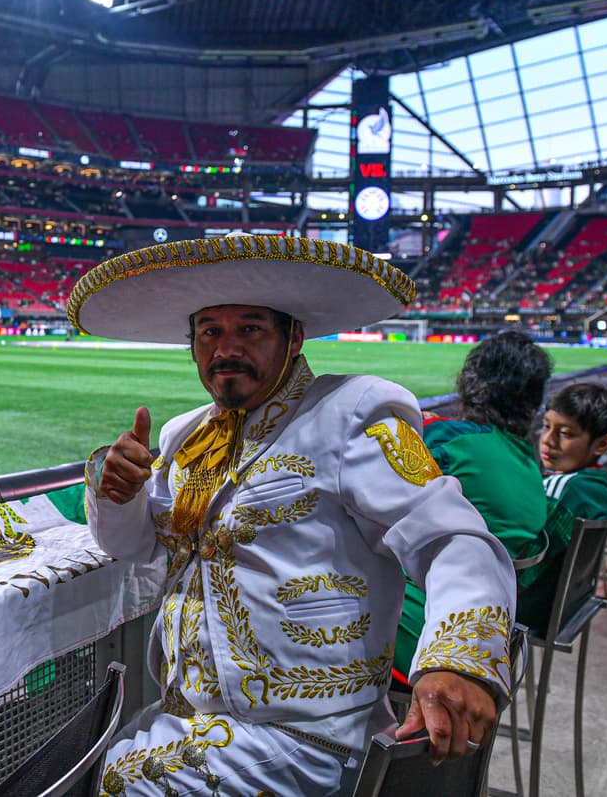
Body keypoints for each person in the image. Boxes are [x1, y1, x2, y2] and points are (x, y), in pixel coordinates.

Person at [67, 234, 516, 795]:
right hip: (188, 722)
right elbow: (136, 546)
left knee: (103, 784)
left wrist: (459, 659)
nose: (225, 348)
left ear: (293, 336)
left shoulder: (354, 412)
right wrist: (119, 493)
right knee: (79, 766)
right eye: (210, 332)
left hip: (308, 741)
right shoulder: (185, 435)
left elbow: (454, 539)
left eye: (249, 329)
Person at [393, 330, 552, 677]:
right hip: (491, 636)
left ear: (472, 383)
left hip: (428, 638)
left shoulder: (450, 441)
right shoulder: (528, 461)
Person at [521, 383, 607, 630]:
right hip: (568, 604)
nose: (548, 440)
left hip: (532, 607)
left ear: (602, 444)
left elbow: (524, 566)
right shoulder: (594, 483)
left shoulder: (565, 490)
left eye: (565, 433)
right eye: (546, 426)